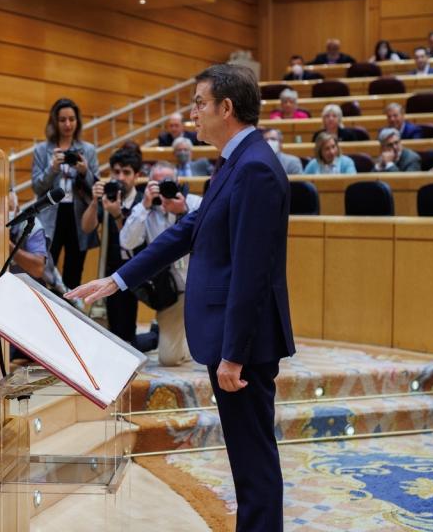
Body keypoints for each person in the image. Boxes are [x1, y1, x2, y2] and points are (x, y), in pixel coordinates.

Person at [66, 63, 294, 531]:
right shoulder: (235, 161)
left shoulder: (255, 168)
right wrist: (118, 280)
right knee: (246, 459)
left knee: (254, 462)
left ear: (226, 108)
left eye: (199, 103)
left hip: (243, 344)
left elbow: (252, 272)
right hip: (233, 339)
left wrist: (234, 355)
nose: (192, 114)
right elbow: (190, 229)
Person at [119, 161, 203, 366]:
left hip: (201, 285)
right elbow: (127, 242)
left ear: (178, 182)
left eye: (168, 182)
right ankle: (172, 336)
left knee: (210, 352)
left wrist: (183, 211)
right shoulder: (144, 209)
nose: (163, 187)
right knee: (169, 359)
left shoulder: (195, 203)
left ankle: (191, 339)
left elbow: (214, 238)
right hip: (171, 292)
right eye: (156, 183)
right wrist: (145, 206)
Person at [31, 98, 99, 290]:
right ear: (55, 121)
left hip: (78, 216)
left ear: (77, 121)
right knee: (44, 270)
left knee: (74, 272)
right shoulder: (42, 150)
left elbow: (96, 186)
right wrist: (52, 167)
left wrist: (85, 171)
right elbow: (37, 187)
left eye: (71, 119)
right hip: (50, 215)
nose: (67, 124)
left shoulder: (88, 150)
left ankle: (69, 313)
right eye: (62, 120)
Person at [80, 148, 143, 345]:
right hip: (113, 270)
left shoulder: (143, 202)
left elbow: (132, 241)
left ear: (137, 176)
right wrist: (94, 202)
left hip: (140, 272)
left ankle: (153, 337)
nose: (120, 177)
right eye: (116, 172)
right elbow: (86, 227)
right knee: (117, 336)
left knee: (127, 337)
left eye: (126, 172)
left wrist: (117, 215)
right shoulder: (107, 197)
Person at [7, 190, 47, 282]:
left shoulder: (32, 225)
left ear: (17, 209)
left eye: (9, 208)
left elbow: (38, 269)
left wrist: (9, 246)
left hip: (32, 285)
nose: (6, 213)